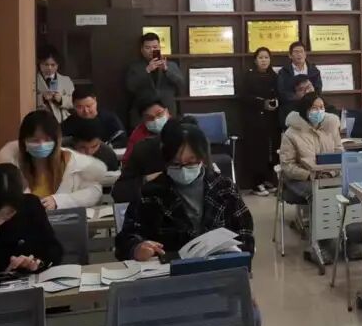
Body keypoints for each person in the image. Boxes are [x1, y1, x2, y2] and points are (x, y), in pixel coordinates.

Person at [116, 119, 254, 261]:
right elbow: (125, 240)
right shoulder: (150, 194)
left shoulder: (224, 188)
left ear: (202, 157)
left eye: (190, 162)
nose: (183, 169)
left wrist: (238, 253)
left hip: (218, 267)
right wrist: (136, 249)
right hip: (168, 270)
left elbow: (245, 232)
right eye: (175, 163)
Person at [0, 110, 105, 210]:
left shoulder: (70, 162)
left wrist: (59, 201)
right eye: (34, 140)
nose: (41, 144)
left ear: (56, 140)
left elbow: (94, 192)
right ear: (23, 142)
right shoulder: (13, 164)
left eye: (47, 140)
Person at [278, 93, 343, 203]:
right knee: (320, 194)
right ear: (305, 110)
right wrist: (310, 175)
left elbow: (339, 153)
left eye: (321, 107)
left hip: (328, 176)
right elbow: (287, 165)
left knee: (348, 189)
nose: (319, 111)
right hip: (301, 179)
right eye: (314, 108)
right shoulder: (291, 133)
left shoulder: (330, 127)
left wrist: (330, 173)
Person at [240, 46, 280, 195]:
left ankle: (268, 180)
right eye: (261, 58)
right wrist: (262, 103)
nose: (264, 60)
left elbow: (278, 93)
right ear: (255, 60)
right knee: (256, 151)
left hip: (271, 119)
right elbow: (244, 96)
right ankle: (256, 183)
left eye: (266, 57)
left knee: (270, 151)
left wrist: (275, 102)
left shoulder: (274, 76)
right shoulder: (249, 76)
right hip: (254, 120)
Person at [125, 32, 185, 125]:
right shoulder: (134, 67)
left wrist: (166, 70)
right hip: (143, 113)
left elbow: (181, 84)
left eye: (155, 47)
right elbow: (130, 87)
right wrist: (147, 70)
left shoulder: (171, 65)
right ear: (142, 50)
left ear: (160, 48)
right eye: (147, 48)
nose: (151, 50)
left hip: (167, 111)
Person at [122, 95, 170, 163]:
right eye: (149, 118)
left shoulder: (178, 128)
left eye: (159, 114)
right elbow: (127, 161)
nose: (156, 120)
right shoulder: (138, 134)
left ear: (167, 112)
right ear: (143, 120)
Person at [275, 41, 322, 109]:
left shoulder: (314, 71)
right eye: (296, 52)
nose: (299, 54)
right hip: (291, 106)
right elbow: (282, 92)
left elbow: (318, 90)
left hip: (311, 106)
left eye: (301, 51)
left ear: (305, 54)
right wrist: (297, 98)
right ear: (290, 55)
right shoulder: (283, 72)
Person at [35, 45, 74, 124]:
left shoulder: (66, 80)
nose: (49, 68)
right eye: (46, 64)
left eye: (53, 65)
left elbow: (74, 101)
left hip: (63, 121)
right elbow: (26, 100)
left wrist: (61, 99)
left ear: (57, 65)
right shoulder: (33, 80)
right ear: (40, 64)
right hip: (42, 120)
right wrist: (42, 98)